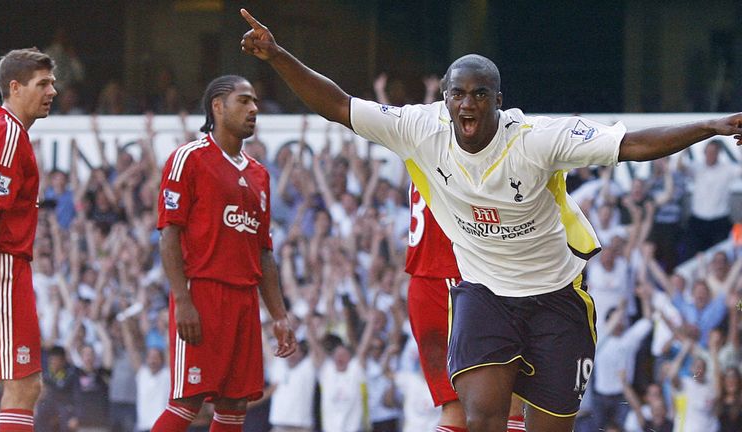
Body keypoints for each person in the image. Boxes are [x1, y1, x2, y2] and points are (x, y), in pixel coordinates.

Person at [239, 9, 742, 432]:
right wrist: (278, 55)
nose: (467, 103)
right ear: (446, 99)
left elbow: (631, 144)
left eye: (480, 94)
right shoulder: (420, 128)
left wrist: (712, 126)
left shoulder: (536, 140)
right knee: (481, 419)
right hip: (483, 294)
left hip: (555, 297)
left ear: (499, 101)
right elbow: (339, 106)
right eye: (459, 93)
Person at [151, 74, 297, 432]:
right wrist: (183, 300)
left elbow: (264, 251)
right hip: (203, 292)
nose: (254, 109)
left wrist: (278, 315)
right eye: (244, 101)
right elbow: (169, 234)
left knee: (234, 404)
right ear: (218, 106)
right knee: (187, 400)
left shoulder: (260, 175)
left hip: (244, 299)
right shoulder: (189, 158)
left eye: (255, 102)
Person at [0, 48, 56, 432]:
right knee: (25, 385)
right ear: (15, 87)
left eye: (52, 83)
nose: (52, 91)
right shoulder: (7, 133)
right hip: (1, 267)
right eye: (43, 84)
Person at [406, 182, 525, 432]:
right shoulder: (458, 148)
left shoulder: (418, 149)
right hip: (454, 281)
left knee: (455, 410)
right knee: (510, 399)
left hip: (425, 286)